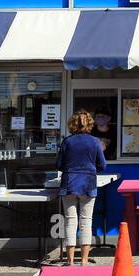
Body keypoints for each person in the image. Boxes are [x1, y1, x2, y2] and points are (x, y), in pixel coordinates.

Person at [56, 109, 108, 265]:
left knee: (70, 221)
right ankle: (84, 260)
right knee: (86, 221)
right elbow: (102, 165)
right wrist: (91, 170)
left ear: (72, 124)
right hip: (88, 183)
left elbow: (59, 165)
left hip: (69, 183)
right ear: (90, 124)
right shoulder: (95, 142)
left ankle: (70, 261)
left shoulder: (67, 142)